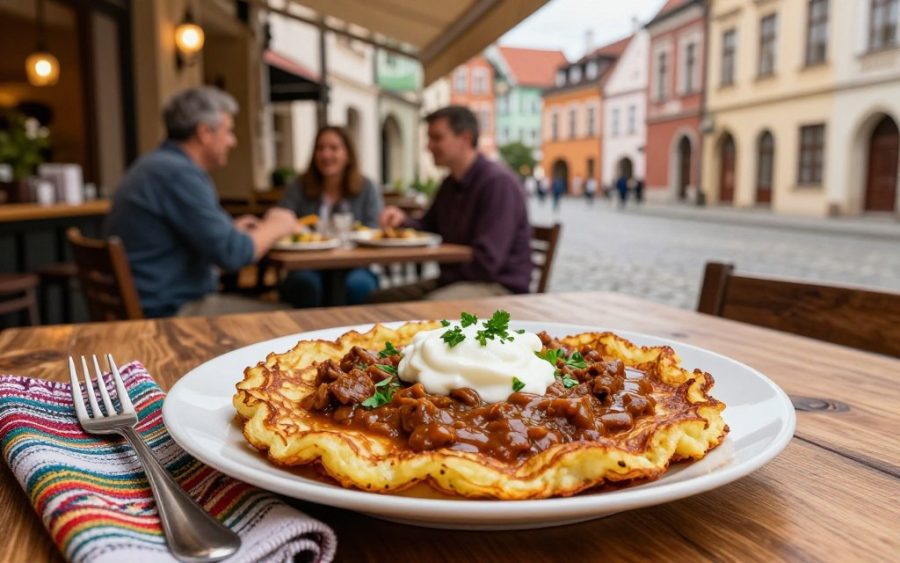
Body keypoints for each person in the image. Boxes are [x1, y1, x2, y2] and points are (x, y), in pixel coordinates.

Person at [105, 87, 296, 318]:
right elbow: (233, 255)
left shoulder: (156, 165)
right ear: (205, 132)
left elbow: (209, 242)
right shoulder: (177, 174)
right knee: (293, 318)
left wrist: (232, 231)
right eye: (228, 131)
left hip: (154, 301)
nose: (232, 141)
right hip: (171, 312)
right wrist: (277, 225)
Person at [375, 105, 532, 301]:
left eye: (437, 138)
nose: (428, 146)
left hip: (498, 288)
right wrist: (402, 221)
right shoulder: (450, 183)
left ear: (465, 138)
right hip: (456, 281)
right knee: (380, 298)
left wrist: (446, 272)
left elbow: (487, 262)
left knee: (426, 306)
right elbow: (428, 226)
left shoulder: (497, 184)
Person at [277, 126, 382, 307]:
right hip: (307, 263)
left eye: (334, 148)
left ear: (348, 154)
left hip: (356, 264)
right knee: (306, 284)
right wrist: (290, 226)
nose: (326, 155)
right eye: (320, 148)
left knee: (358, 286)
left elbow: (373, 229)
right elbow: (280, 219)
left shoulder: (366, 188)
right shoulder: (298, 186)